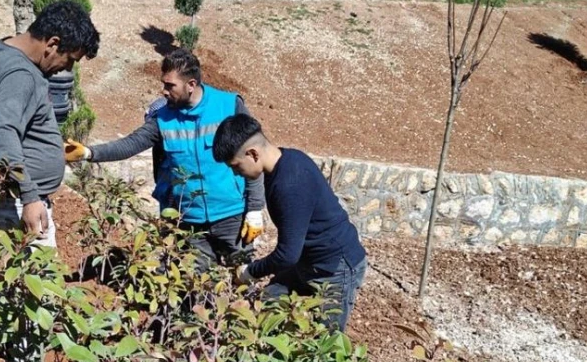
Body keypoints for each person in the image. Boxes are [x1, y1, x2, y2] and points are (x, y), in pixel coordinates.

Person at [64, 48, 264, 270]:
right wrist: (88, 153)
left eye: (170, 86)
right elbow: (131, 144)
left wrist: (255, 209)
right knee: (191, 289)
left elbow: (254, 157)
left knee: (243, 277)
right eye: (164, 84)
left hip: (232, 216)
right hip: (189, 222)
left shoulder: (228, 106)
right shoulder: (163, 119)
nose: (164, 92)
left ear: (191, 85)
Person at [213, 114, 366, 332]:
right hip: (309, 261)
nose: (236, 173)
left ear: (253, 153)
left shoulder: (289, 184)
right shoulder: (288, 159)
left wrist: (251, 272)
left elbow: (287, 254)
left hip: (335, 266)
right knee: (269, 301)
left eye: (236, 166)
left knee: (326, 341)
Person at [0, 0, 100, 248]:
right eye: (70, 60)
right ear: (52, 44)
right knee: (40, 283)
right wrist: (29, 197)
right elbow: (2, 133)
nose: (67, 69)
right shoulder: (22, 75)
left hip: (8, 195)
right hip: (19, 202)